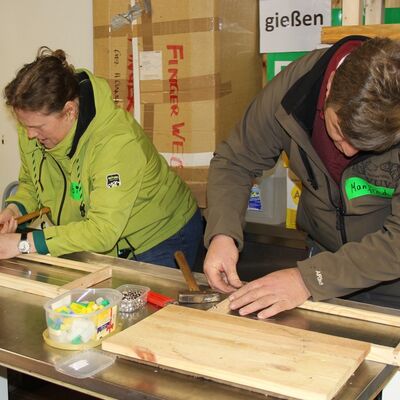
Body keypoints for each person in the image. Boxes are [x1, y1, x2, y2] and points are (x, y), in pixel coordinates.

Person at [203, 35, 400, 318]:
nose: (348, 150)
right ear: (330, 86)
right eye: (340, 132)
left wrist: (308, 279)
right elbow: (236, 160)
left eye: (367, 145)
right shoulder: (294, 90)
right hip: (323, 256)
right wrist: (223, 233)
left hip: (392, 277)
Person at [0, 46, 203, 268]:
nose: (29, 134)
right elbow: (32, 184)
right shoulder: (33, 127)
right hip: (103, 236)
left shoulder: (116, 143)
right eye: (24, 125)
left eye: (37, 127)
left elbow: (102, 230)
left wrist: (23, 243)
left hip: (159, 235)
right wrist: (13, 211)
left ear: (69, 111)